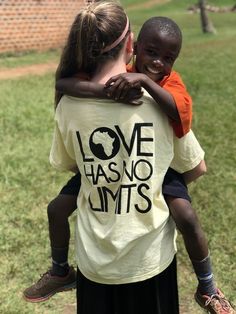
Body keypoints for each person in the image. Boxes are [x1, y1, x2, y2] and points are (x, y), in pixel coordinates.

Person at [22, 5, 235, 313]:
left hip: (94, 264)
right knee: (56, 209)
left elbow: (73, 163)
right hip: (150, 262)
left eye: (168, 58)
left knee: (186, 216)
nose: (159, 63)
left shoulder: (76, 105)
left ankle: (208, 285)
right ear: (132, 45)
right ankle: (59, 271)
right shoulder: (152, 105)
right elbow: (197, 166)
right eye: (152, 52)